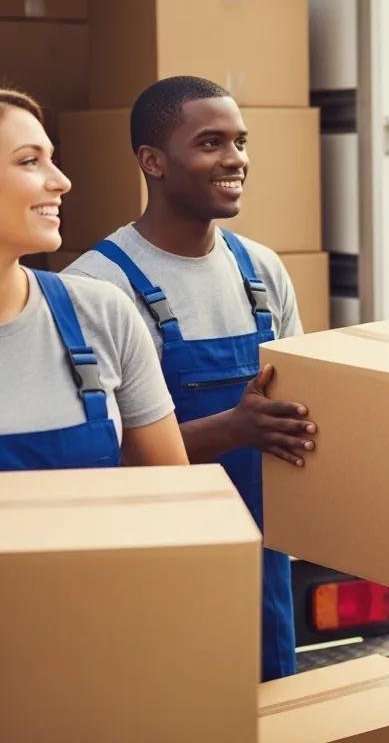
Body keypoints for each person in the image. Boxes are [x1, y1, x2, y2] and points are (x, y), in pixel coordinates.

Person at [66, 76, 316, 682]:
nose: (235, 160)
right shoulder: (96, 288)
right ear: (152, 161)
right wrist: (235, 428)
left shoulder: (260, 268)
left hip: (261, 562)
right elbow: (95, 465)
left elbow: (304, 409)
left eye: (240, 141)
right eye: (210, 143)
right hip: (155, 564)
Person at [0, 87, 187, 471]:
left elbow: (172, 499)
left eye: (51, 158)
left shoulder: (102, 313)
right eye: (29, 161)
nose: (62, 181)